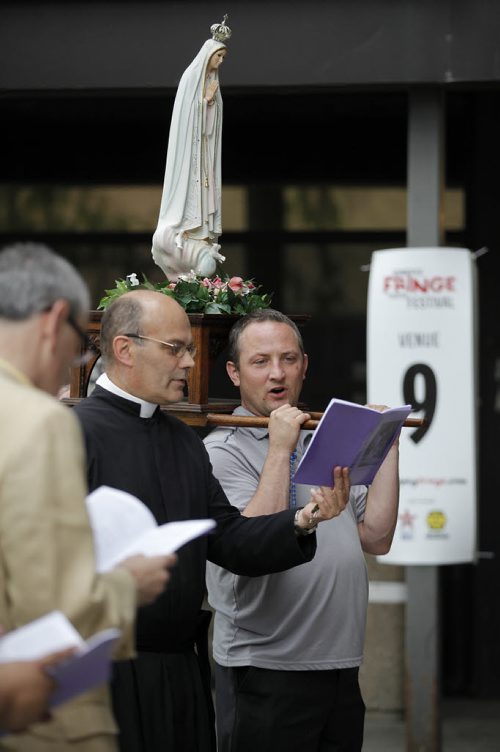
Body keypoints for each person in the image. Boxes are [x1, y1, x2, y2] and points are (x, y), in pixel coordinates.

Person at [73, 289, 348, 752]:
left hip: (182, 670)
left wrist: (302, 519)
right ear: (124, 349)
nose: (188, 363)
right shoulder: (72, 434)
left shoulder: (181, 440)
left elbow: (231, 541)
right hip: (102, 673)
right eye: (175, 349)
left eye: (191, 350)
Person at [0, 243, 176, 751]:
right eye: (83, 345)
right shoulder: (38, 420)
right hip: (39, 718)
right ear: (55, 320)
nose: (74, 368)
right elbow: (57, 606)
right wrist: (128, 584)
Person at [204, 308, 401, 752]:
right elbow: (251, 542)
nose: (278, 373)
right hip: (265, 668)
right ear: (234, 373)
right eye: (260, 362)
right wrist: (279, 449)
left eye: (289, 359)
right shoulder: (222, 448)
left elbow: (377, 537)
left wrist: (386, 444)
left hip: (341, 664)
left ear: (304, 366)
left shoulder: (324, 438)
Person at [152, 16, 231, 280]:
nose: (220, 62)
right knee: (190, 193)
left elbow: (213, 125)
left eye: (223, 57)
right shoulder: (190, 79)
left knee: (205, 192)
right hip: (191, 154)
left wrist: (211, 104)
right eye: (218, 56)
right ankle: (186, 230)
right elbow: (186, 119)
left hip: (205, 154)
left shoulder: (214, 83)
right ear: (208, 55)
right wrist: (203, 102)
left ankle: (201, 232)